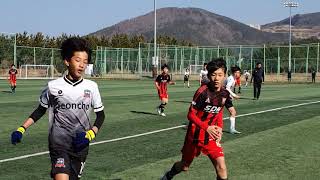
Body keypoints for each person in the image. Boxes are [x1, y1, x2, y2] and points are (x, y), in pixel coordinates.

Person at [10, 37, 105, 180]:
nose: (82, 65)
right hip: (59, 144)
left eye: (85, 62)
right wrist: (21, 129)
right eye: (78, 60)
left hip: (81, 146)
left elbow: (101, 115)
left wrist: (90, 134)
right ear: (67, 61)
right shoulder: (53, 86)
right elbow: (40, 110)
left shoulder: (92, 87)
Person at [161, 58, 232, 180]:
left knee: (222, 169)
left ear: (224, 75)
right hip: (194, 135)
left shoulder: (225, 93)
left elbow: (219, 111)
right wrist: (207, 127)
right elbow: (191, 115)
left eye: (220, 75)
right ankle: (169, 175)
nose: (217, 78)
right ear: (209, 75)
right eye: (213, 75)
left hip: (210, 137)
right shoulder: (202, 92)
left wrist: (219, 128)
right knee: (184, 167)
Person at [225, 66, 241, 134]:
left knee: (233, 112)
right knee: (233, 112)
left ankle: (232, 129)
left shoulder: (233, 78)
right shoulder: (231, 79)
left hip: (225, 96)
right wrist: (234, 95)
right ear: (235, 73)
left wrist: (231, 96)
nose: (239, 74)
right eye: (238, 72)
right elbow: (227, 88)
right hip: (222, 97)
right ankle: (232, 129)